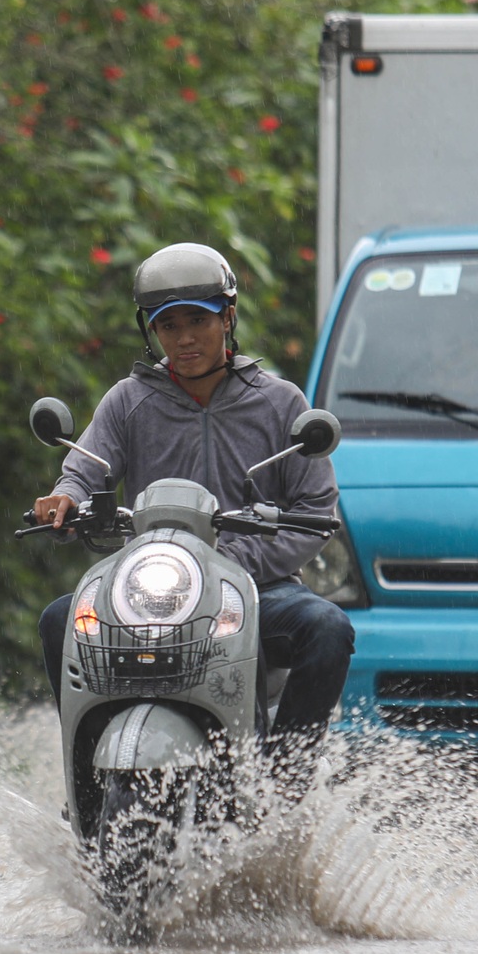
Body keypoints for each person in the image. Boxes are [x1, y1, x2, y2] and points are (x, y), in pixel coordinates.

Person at [35, 242, 355, 762]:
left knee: (327, 627)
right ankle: (87, 771)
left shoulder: (280, 403)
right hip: (150, 592)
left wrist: (236, 562)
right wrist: (66, 500)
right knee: (58, 620)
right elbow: (84, 468)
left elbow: (316, 510)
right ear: (151, 331)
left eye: (197, 321)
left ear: (227, 318)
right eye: (168, 326)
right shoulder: (128, 401)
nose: (183, 339)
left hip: (254, 592)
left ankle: (283, 778)